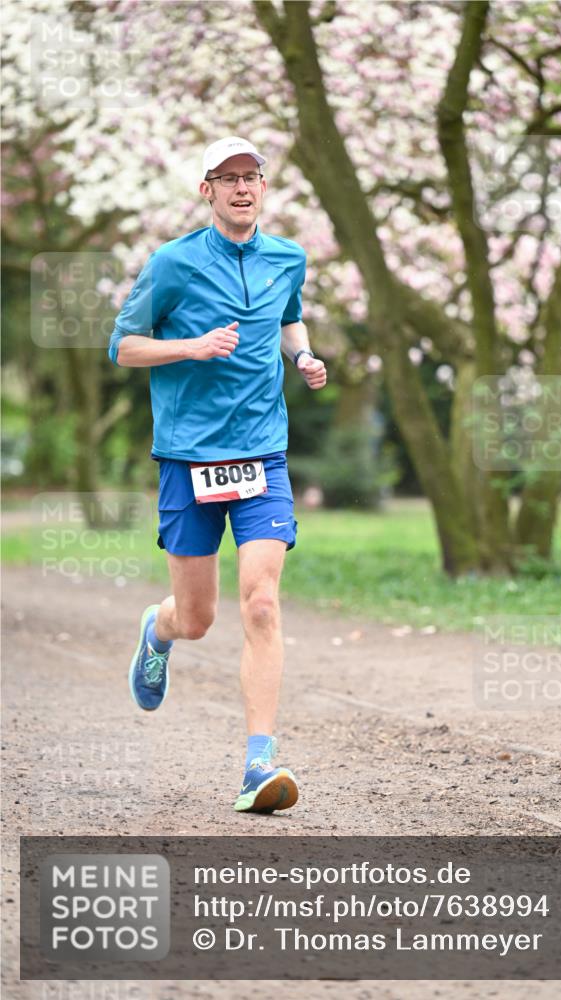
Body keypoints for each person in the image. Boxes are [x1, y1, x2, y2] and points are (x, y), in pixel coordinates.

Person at [108, 136, 327, 814]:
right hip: (188, 456)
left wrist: (304, 356)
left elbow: (287, 319)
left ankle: (257, 763)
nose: (240, 188)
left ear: (263, 188)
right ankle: (159, 629)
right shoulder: (172, 264)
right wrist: (191, 347)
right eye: (226, 178)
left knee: (261, 601)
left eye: (251, 177)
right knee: (197, 618)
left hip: (261, 452)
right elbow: (123, 346)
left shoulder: (287, 258)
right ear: (206, 191)